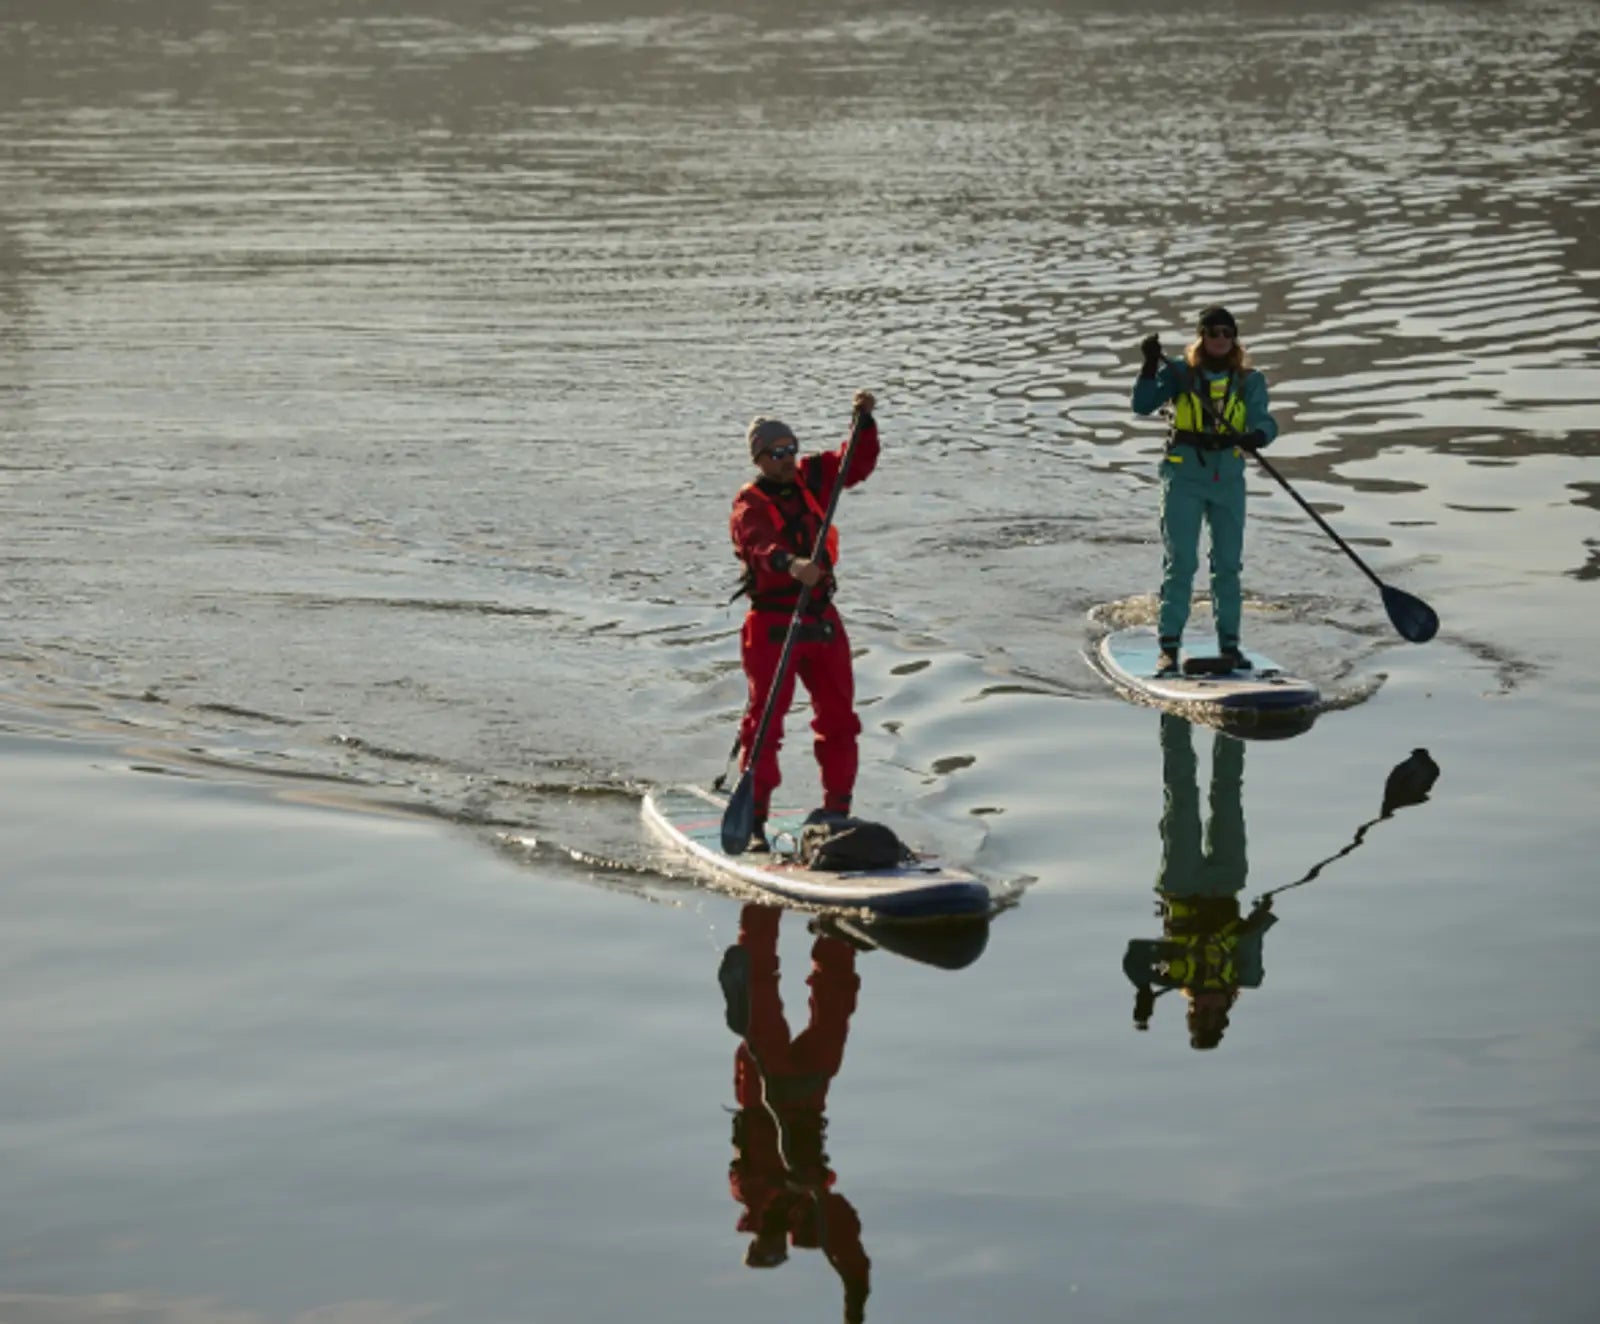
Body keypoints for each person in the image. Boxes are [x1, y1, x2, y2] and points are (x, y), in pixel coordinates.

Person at [730, 390, 879, 850]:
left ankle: (836, 811)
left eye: (791, 449)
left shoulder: (813, 476)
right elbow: (756, 542)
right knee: (766, 722)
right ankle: (753, 823)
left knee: (839, 720)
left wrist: (865, 422)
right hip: (774, 624)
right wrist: (791, 564)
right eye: (777, 453)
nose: (787, 459)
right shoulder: (749, 502)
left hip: (821, 619)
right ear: (759, 459)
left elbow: (855, 464)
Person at [718, 904, 871, 1322]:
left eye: (761, 1249)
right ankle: (837, 932)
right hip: (806, 1099)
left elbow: (745, 1176)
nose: (770, 1245)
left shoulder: (748, 1198)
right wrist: (855, 1297)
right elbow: (849, 1245)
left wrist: (776, 1201)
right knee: (834, 1011)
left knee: (760, 993)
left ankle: (761, 908)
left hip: (765, 1087)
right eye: (773, 1253)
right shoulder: (813, 1224)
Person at [1132, 307, 1278, 675]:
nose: (1220, 339)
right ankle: (1168, 649)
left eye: (1227, 333)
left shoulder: (1250, 381)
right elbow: (1142, 405)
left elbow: (1264, 419)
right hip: (1183, 478)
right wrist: (1150, 366)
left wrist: (1258, 435)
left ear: (1235, 339)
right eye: (1213, 332)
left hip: (1228, 480)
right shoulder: (1180, 373)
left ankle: (1230, 646)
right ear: (1201, 336)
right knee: (1182, 563)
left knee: (1227, 566)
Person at [1122, 714, 1276, 1051]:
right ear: (1224, 1010)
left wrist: (1144, 988)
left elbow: (1134, 956)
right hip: (1226, 884)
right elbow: (1257, 931)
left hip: (1182, 883)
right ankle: (1235, 718)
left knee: (1182, 795)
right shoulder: (1245, 976)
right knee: (1228, 795)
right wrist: (1258, 920)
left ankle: (1174, 713)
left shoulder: (1173, 973)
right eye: (1211, 1014)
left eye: (1196, 1014)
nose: (1203, 1007)